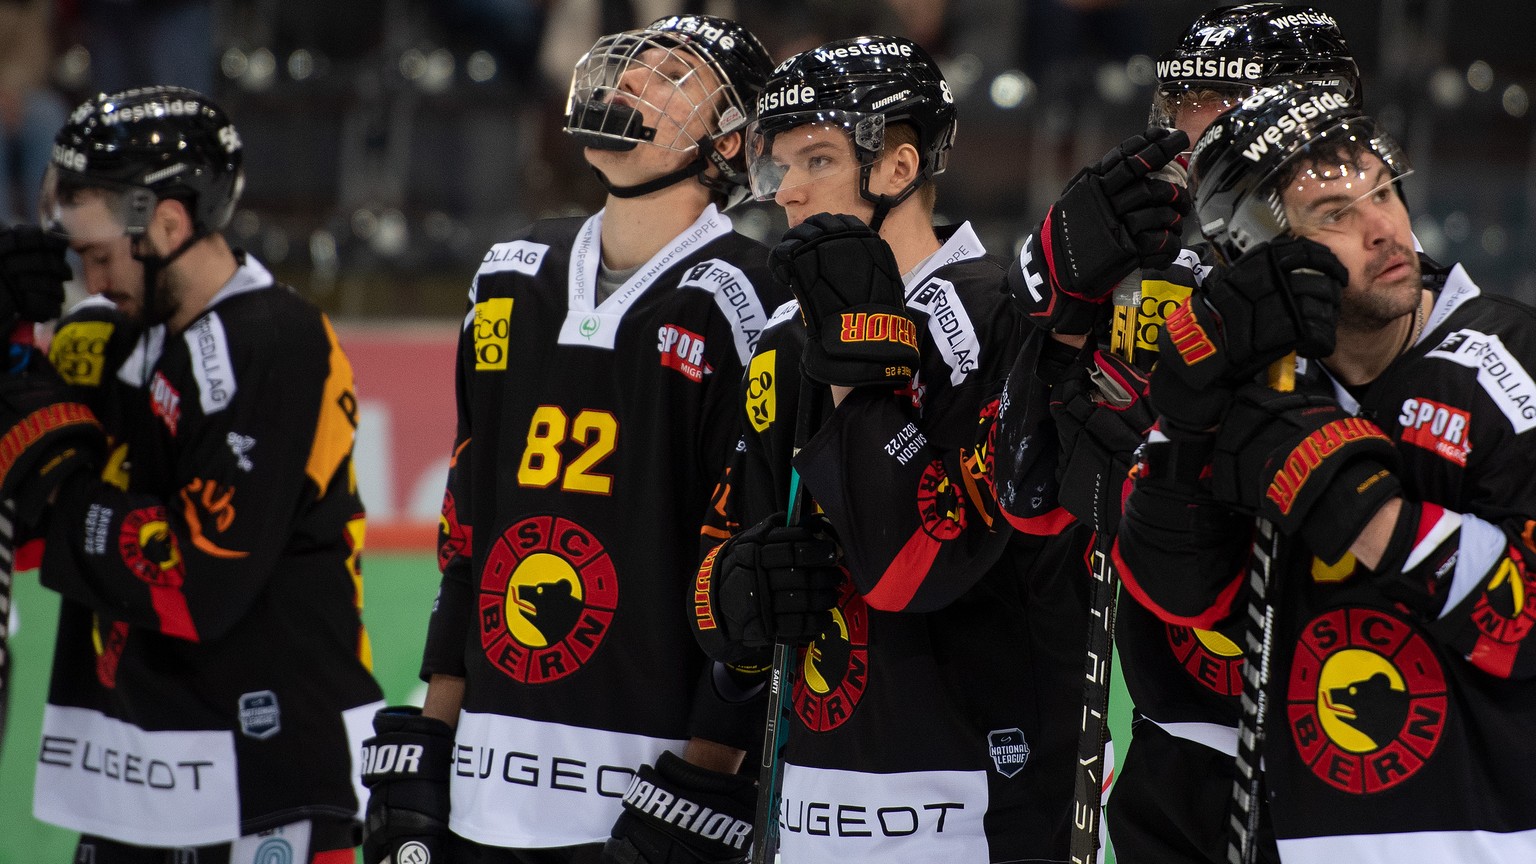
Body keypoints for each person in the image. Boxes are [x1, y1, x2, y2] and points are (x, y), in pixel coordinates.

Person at [357, 15, 788, 864]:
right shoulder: (508, 272)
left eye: (669, 77)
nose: (630, 80)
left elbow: (748, 572)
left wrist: (709, 769)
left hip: (645, 783)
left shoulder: (750, 298)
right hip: (486, 774)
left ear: (729, 141)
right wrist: (433, 736)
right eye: (632, 68)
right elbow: (467, 522)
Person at [690, 35, 1091, 863]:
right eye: (779, 163)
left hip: (981, 807)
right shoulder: (780, 338)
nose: (788, 189)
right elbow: (727, 544)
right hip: (811, 807)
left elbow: (921, 562)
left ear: (899, 169)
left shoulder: (1003, 321)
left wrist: (857, 374)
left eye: (819, 159)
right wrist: (732, 606)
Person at [1119, 80, 1536, 862]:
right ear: (1253, 248)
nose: (1384, 228)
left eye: (1384, 192)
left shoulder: (1514, 364)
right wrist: (1189, 434)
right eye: (1336, 214)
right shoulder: (1253, 381)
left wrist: (1363, 511)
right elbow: (1175, 591)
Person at [992, 5, 1364, 861]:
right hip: (1171, 742)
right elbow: (1030, 492)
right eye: (1180, 95)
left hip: (1326, 751)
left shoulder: (1374, 294)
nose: (1181, 124)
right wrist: (1060, 305)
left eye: (1211, 99)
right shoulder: (1159, 283)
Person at [0, 84, 384, 863]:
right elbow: (32, 532)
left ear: (169, 223)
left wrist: (46, 448)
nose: (91, 278)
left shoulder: (272, 344)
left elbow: (193, 583)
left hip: (265, 772)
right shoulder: (105, 335)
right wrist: (11, 339)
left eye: (100, 255)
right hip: (135, 771)